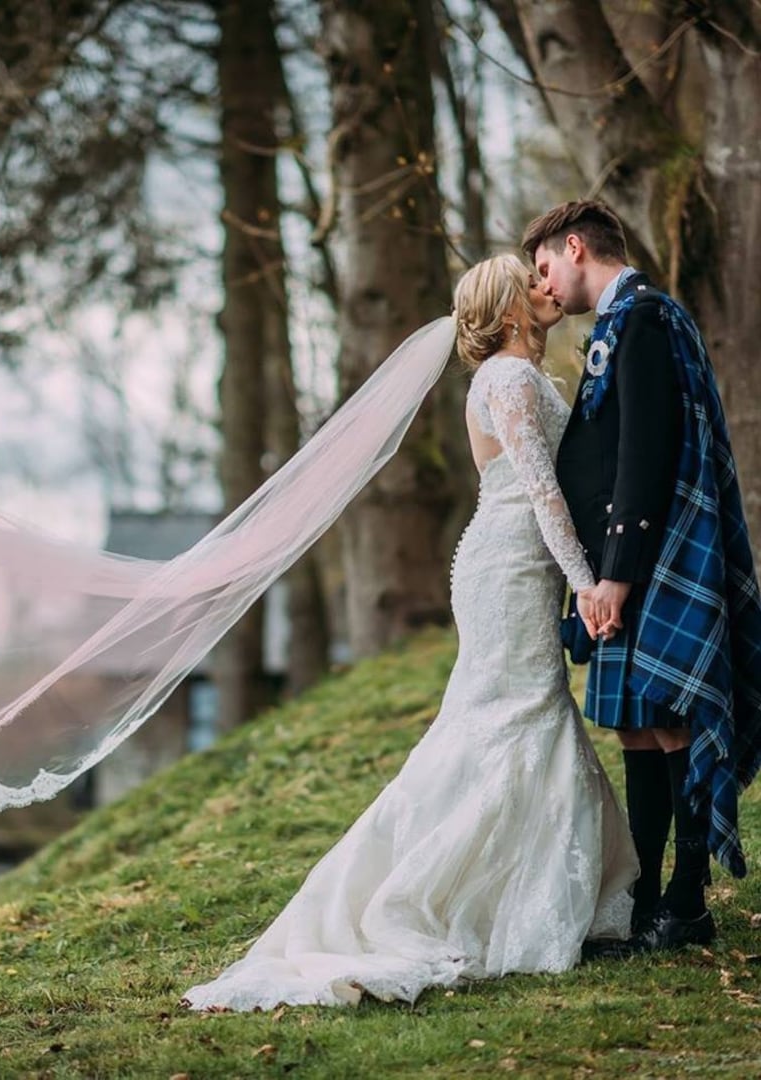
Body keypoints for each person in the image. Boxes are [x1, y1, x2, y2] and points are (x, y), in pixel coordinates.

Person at [180, 254, 638, 1011]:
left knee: (508, 719)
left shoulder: (513, 377)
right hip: (510, 570)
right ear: (511, 308)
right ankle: (459, 896)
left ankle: (525, 887)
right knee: (517, 718)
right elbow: (538, 489)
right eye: (531, 284)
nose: (546, 288)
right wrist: (587, 582)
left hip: (512, 563)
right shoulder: (512, 379)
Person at [524, 200, 761, 953]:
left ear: (574, 247)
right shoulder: (621, 324)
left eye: (543, 269)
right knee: (635, 726)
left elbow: (647, 455)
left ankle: (688, 900)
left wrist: (618, 575)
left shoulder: (647, 319)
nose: (543, 286)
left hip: (658, 562)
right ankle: (652, 897)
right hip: (625, 566)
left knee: (671, 720)